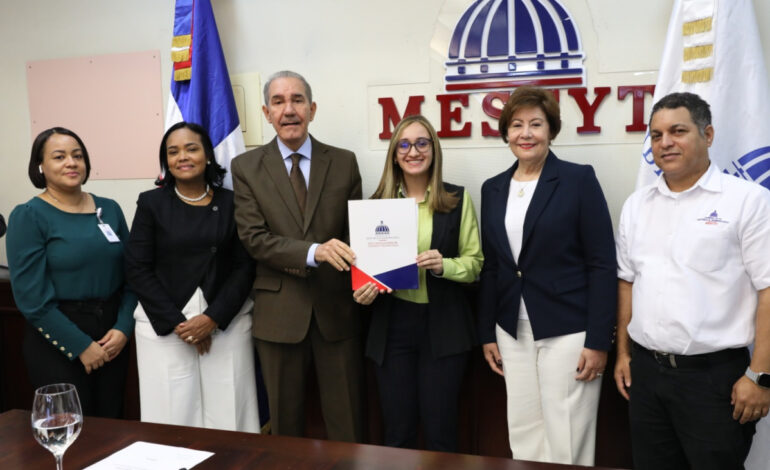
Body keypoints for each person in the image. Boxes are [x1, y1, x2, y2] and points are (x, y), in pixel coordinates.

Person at [614, 92, 770, 469]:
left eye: (678, 131)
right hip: (647, 376)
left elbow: (768, 290)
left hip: (714, 381)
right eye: (656, 135)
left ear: (708, 134)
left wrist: (761, 375)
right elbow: (627, 283)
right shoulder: (637, 204)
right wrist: (622, 354)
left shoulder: (748, 201)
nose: (665, 143)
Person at [477, 86, 616, 465]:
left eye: (536, 124)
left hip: (568, 329)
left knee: (566, 436)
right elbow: (493, 266)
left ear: (551, 131)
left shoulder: (577, 180)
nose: (526, 133)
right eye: (517, 125)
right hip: (512, 330)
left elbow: (602, 264)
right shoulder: (493, 189)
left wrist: (599, 340)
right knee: (523, 432)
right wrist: (487, 331)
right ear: (505, 133)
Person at [232, 70, 363, 441]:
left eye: (297, 100)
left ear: (312, 108)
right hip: (279, 316)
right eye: (278, 101)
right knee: (285, 428)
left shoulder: (343, 161)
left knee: (347, 422)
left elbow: (356, 232)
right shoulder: (246, 168)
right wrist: (313, 251)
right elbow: (254, 238)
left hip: (337, 311)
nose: (288, 110)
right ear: (266, 112)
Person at [353, 115, 482, 452]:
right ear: (394, 154)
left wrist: (445, 265)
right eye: (404, 144)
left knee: (441, 431)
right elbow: (363, 274)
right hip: (392, 325)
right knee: (398, 432)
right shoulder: (375, 205)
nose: (413, 151)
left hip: (444, 326)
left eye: (422, 143)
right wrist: (363, 292)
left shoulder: (456, 199)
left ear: (434, 150)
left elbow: (475, 264)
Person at [124, 122, 259, 432]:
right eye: (173, 152)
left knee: (231, 414)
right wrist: (180, 324)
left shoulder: (232, 202)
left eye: (191, 148)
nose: (182, 157)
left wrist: (211, 319)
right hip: (166, 327)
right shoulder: (151, 203)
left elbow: (244, 266)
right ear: (166, 161)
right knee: (172, 416)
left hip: (226, 322)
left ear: (208, 156)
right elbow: (137, 267)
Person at [6, 127, 137, 418]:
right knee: (73, 434)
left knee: (113, 431)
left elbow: (133, 276)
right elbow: (32, 300)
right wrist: (80, 346)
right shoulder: (28, 216)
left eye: (77, 156)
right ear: (40, 166)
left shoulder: (109, 209)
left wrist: (124, 328)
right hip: (58, 338)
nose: (71, 162)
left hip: (112, 337)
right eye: (59, 156)